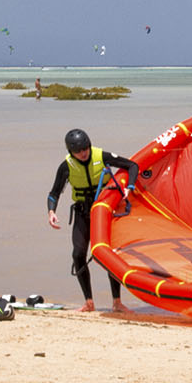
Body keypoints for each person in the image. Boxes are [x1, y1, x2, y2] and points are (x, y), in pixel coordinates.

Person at [46, 128, 140, 313]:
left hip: (103, 212)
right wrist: (51, 212)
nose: (83, 153)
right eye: (78, 151)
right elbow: (54, 193)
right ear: (71, 152)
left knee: (109, 255)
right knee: (78, 254)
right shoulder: (66, 167)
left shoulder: (102, 156)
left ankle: (117, 302)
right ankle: (88, 302)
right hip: (82, 212)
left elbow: (132, 166)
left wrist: (130, 186)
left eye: (85, 149)